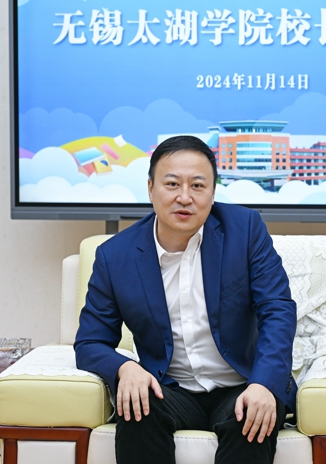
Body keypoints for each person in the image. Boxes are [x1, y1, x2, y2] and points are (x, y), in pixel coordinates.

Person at [74, 135, 297, 464]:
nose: (184, 197)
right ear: (150, 188)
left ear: (213, 192)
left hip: (243, 382)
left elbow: (277, 310)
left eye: (197, 186)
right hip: (170, 388)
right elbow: (90, 343)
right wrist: (125, 369)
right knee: (136, 406)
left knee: (251, 418)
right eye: (172, 184)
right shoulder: (115, 256)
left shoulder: (245, 230)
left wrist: (264, 384)